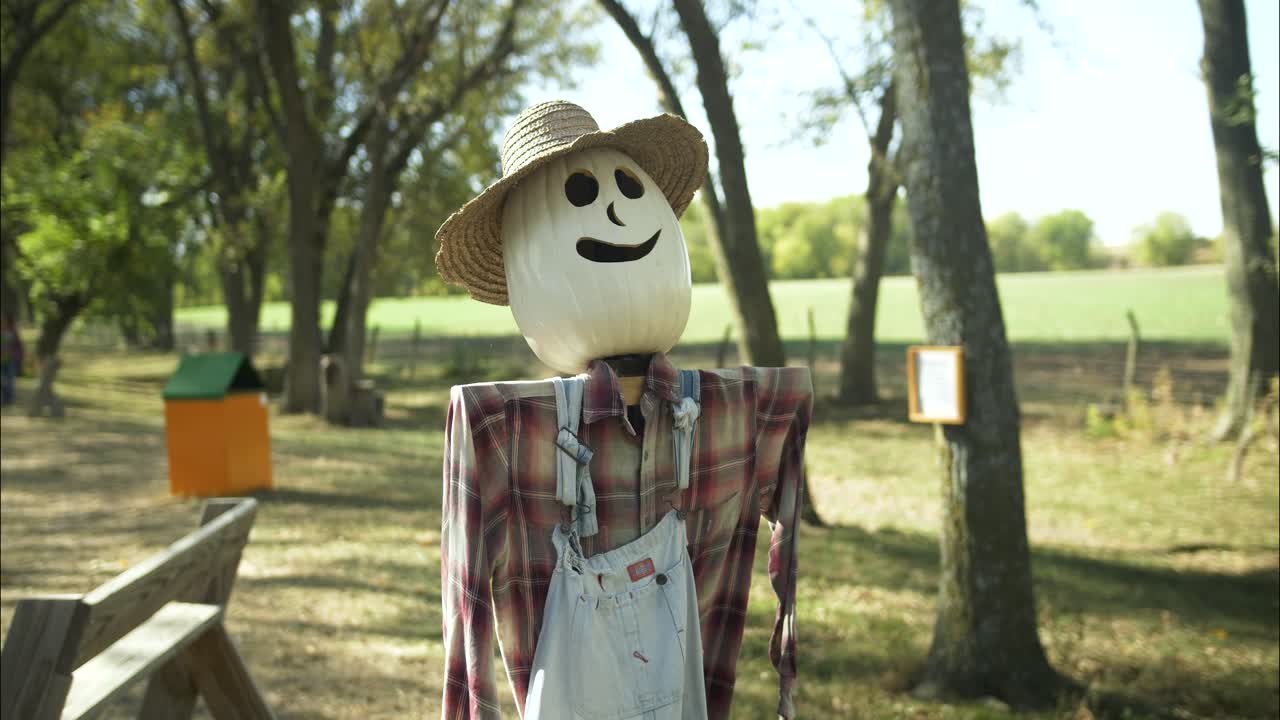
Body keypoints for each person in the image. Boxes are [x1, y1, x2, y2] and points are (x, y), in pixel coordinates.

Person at [1, 315, 22, 406]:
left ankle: (9, 400)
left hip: (11, 361)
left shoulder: (13, 332)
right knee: (3, 381)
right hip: (2, 362)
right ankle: (5, 398)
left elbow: (19, 346)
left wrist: (18, 358)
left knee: (10, 381)